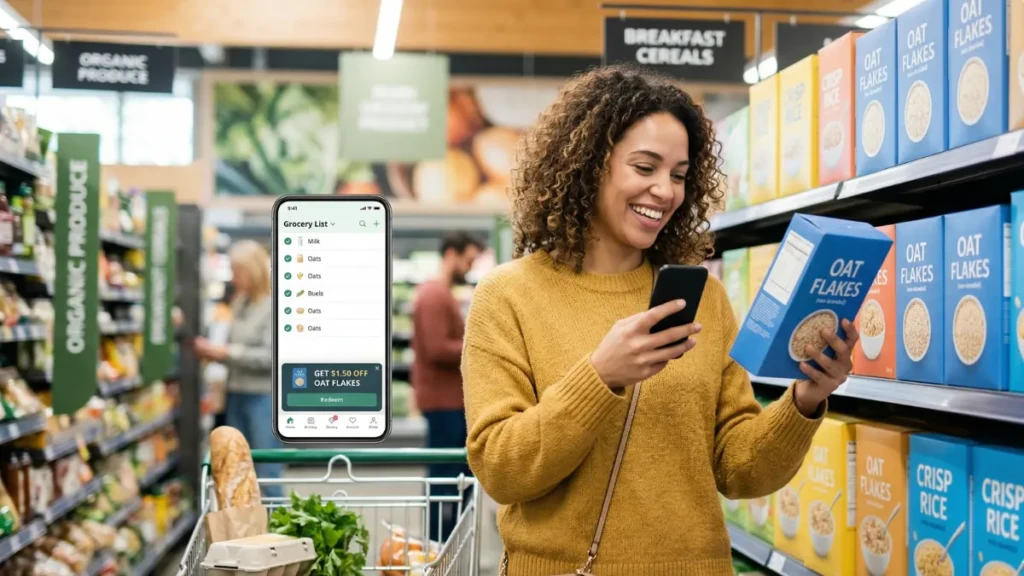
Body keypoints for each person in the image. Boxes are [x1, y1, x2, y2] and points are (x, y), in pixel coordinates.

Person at [461, 65, 858, 575]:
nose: (665, 192)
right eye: (645, 167)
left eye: (678, 174)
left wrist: (804, 400)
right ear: (589, 164)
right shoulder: (508, 296)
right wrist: (600, 376)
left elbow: (739, 471)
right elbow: (502, 469)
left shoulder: (706, 301)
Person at [194, 239, 283, 498]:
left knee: (266, 472)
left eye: (237, 270)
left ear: (252, 270)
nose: (233, 277)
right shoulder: (239, 303)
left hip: (262, 398)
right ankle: (245, 533)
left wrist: (228, 353)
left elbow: (272, 357)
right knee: (235, 470)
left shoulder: (274, 307)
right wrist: (214, 352)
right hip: (235, 394)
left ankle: (279, 532)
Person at [411, 231, 483, 541]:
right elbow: (436, 347)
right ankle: (439, 545)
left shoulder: (441, 293)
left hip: (448, 401)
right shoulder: (434, 295)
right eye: (467, 260)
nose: (469, 268)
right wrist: (477, 343)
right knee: (445, 477)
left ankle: (445, 543)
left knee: (455, 474)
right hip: (444, 403)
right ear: (451, 255)